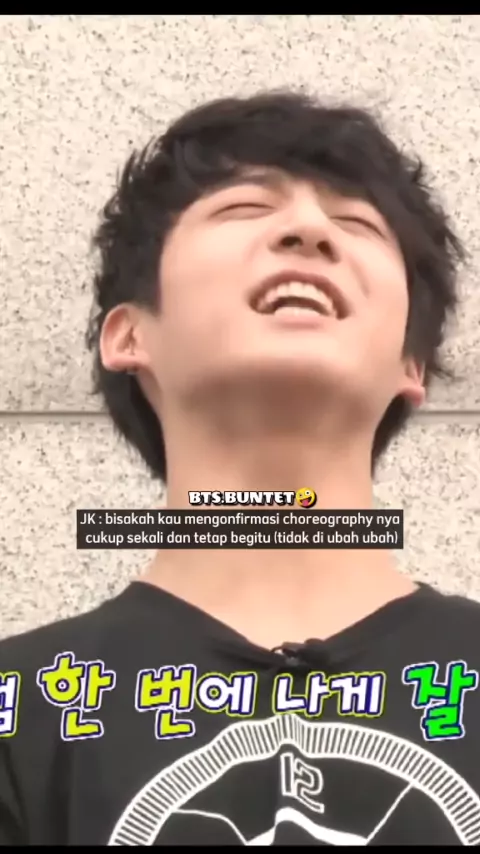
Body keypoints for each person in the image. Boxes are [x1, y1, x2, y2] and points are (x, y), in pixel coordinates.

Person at [0, 88, 478, 847]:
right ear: (128, 336)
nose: (310, 229)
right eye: (245, 208)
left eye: (357, 224)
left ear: (410, 364)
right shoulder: (20, 708)